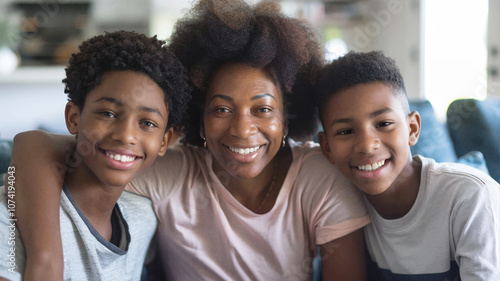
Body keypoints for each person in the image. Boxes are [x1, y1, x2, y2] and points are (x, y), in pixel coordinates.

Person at [8, 1, 370, 280]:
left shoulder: (321, 178)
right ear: (198, 117)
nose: (243, 130)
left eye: (262, 110)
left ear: (287, 116)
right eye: (222, 109)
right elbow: (33, 146)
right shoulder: (170, 173)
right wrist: (45, 260)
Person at [0, 30, 191, 280]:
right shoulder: (9, 217)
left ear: (165, 140)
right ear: (74, 118)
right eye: (108, 114)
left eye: (147, 123)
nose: (126, 135)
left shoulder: (143, 218)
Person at [315, 51, 500, 280]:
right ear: (327, 148)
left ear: (412, 129)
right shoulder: (338, 202)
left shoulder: (471, 195)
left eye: (383, 124)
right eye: (345, 131)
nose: (366, 145)